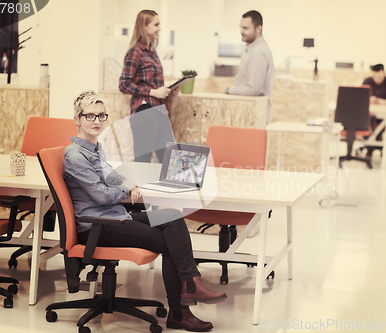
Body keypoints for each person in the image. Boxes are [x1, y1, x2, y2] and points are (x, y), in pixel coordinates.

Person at [63, 91, 226, 332]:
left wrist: (131, 185)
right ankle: (180, 311)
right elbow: (101, 194)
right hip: (98, 225)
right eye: (89, 116)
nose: (96, 121)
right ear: (77, 119)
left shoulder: (95, 150)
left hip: (115, 217)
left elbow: (112, 176)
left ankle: (191, 283)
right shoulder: (75, 155)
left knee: (172, 217)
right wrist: (127, 193)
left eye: (101, 116)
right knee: (171, 242)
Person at [119, 10, 177, 162]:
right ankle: (137, 186)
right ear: (144, 27)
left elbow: (152, 83)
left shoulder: (152, 52)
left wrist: (168, 89)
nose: (159, 28)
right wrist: (152, 92)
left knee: (169, 163)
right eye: (156, 24)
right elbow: (124, 84)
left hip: (159, 111)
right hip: (144, 112)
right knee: (143, 162)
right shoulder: (135, 52)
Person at [225, 10, 275, 123]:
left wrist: (229, 90)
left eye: (245, 28)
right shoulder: (251, 49)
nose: (241, 31)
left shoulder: (258, 52)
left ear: (258, 29)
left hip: (254, 115)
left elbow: (254, 89)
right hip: (249, 114)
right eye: (241, 27)